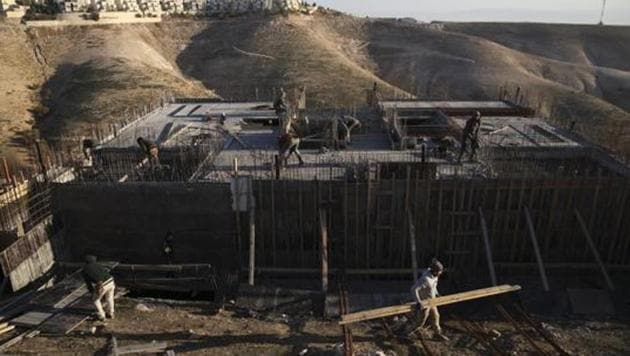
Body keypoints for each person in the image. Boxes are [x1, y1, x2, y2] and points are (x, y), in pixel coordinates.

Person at [410, 258, 449, 341]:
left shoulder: (435, 276)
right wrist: (418, 302)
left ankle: (438, 334)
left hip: (432, 301)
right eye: (439, 271)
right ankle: (407, 332)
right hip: (425, 303)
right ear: (435, 271)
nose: (441, 273)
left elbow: (434, 286)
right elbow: (414, 289)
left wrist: (437, 294)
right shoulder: (425, 279)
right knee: (420, 322)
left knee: (436, 317)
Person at [82, 255, 115, 321]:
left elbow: (88, 283)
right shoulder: (99, 265)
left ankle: (101, 315)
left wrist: (91, 291)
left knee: (95, 300)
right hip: (111, 281)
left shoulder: (85, 270)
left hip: (102, 284)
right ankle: (111, 313)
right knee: (109, 297)